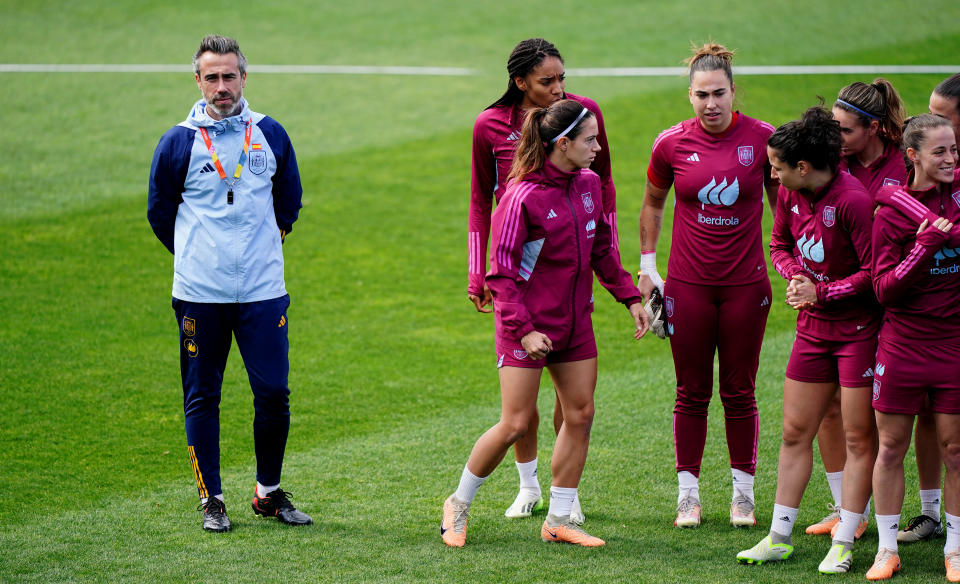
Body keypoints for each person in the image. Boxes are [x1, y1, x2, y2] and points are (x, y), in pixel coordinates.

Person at [442, 99, 648, 548]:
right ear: (563, 143)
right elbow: (501, 275)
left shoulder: (589, 185)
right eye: (590, 139)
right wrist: (524, 329)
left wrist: (630, 297)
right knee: (516, 423)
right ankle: (457, 504)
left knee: (581, 414)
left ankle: (557, 518)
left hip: (574, 323)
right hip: (527, 326)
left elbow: (602, 251)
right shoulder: (521, 198)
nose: (598, 147)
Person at [148, 34, 311, 532]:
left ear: (244, 77)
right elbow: (160, 213)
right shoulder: (178, 142)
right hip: (200, 294)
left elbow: (289, 202)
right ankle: (211, 499)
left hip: (263, 292)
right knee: (203, 396)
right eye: (212, 77)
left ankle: (267, 492)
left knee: (274, 393)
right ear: (198, 81)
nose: (222, 86)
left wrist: (258, 253)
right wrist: (202, 258)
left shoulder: (270, 134)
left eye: (230, 76)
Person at [467, 38, 618, 523]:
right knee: (519, 412)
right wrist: (479, 272)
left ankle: (563, 497)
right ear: (520, 82)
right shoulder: (491, 128)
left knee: (575, 404)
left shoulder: (580, 120)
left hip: (570, 271)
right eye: (547, 81)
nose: (558, 90)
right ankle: (526, 485)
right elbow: (480, 200)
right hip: (519, 278)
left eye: (562, 79)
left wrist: (610, 258)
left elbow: (603, 185)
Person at [637, 42, 778, 528]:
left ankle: (743, 496)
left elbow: (785, 206)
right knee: (690, 391)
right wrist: (648, 265)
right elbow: (654, 203)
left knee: (740, 391)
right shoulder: (670, 143)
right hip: (688, 288)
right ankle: (688, 497)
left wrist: (792, 259)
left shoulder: (764, 140)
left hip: (745, 287)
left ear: (734, 91)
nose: (711, 103)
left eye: (719, 93)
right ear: (689, 95)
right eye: (701, 95)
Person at [735, 106, 879, 574]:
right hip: (812, 332)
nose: (770, 173)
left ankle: (845, 540)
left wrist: (825, 292)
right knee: (796, 432)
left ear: (802, 167)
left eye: (776, 166)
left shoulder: (854, 201)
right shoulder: (793, 197)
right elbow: (779, 245)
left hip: (856, 334)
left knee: (859, 437)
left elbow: (875, 274)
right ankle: (778, 537)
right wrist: (796, 276)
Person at [802, 79, 907, 539]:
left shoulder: (906, 164)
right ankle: (847, 511)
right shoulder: (833, 163)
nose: (836, 139)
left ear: (876, 128)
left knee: (895, 420)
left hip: (899, 307)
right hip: (843, 305)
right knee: (829, 410)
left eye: (845, 131)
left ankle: (925, 510)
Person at [867, 114, 960, 581]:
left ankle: (957, 549)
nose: (951, 159)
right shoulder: (890, 216)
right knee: (890, 448)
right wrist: (923, 247)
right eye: (940, 151)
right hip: (902, 347)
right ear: (913, 156)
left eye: (955, 150)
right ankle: (886, 549)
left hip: (954, 346)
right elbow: (883, 290)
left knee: (956, 450)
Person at [891, 72, 960, 545]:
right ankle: (933, 514)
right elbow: (889, 196)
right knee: (929, 420)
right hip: (923, 331)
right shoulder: (924, 177)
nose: (933, 120)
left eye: (944, 116)